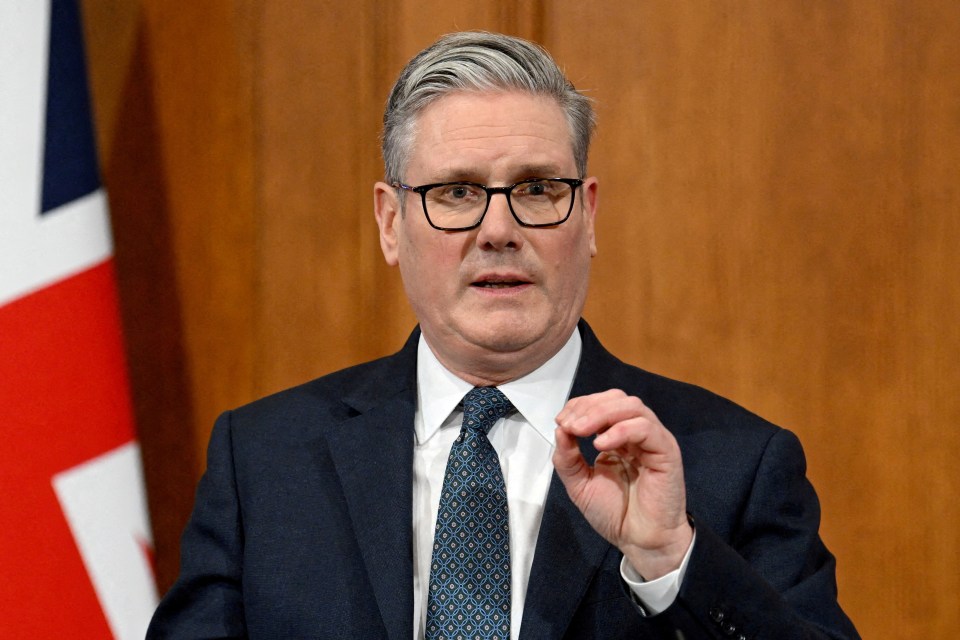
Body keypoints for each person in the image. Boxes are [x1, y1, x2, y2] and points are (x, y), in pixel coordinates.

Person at [148, 31, 860, 640]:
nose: (498, 231)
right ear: (392, 224)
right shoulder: (265, 462)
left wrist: (671, 558)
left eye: (537, 189)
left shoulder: (732, 462)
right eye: (456, 192)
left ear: (588, 215)